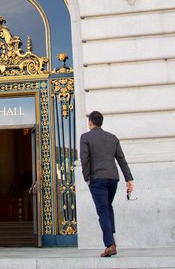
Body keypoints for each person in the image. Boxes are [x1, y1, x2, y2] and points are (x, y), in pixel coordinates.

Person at [79, 110, 133, 258]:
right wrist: (129, 179)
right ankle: (111, 238)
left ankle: (110, 245)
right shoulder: (112, 138)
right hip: (113, 178)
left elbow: (85, 160)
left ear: (90, 122)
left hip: (97, 179)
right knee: (108, 207)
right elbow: (121, 159)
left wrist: (87, 178)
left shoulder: (85, 137)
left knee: (102, 210)